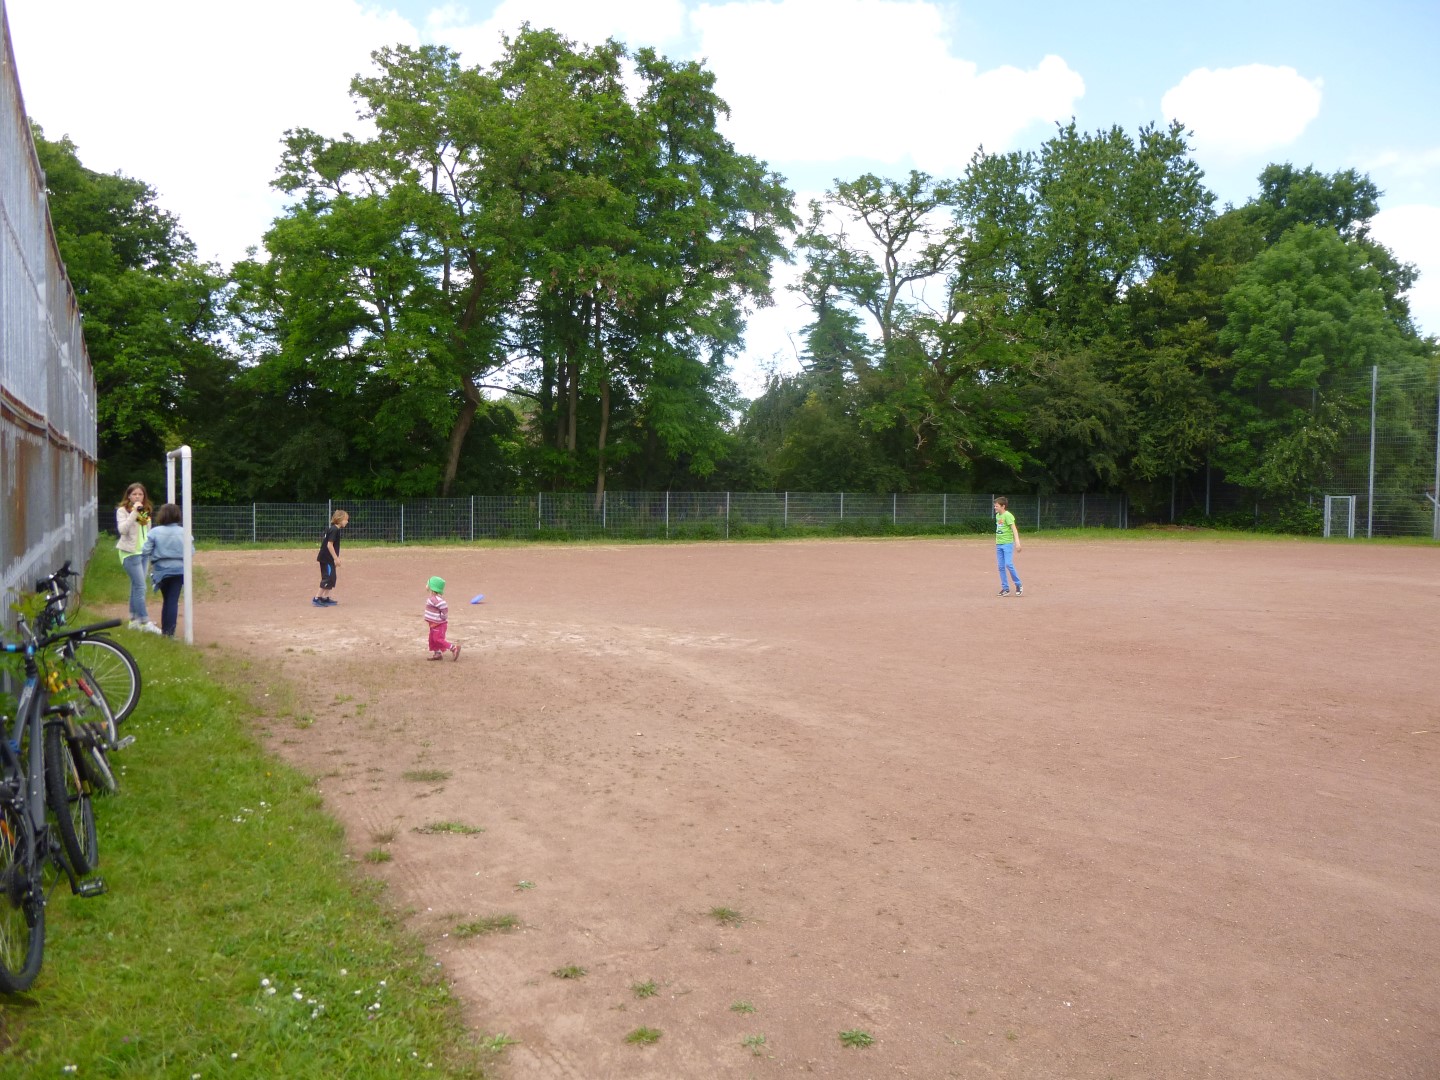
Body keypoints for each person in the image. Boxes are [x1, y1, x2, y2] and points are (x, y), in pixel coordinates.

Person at [115, 483, 162, 634]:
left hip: (143, 553)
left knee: (136, 586)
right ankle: (144, 621)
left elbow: (147, 531)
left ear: (144, 496)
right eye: (134, 494)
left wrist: (150, 549)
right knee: (141, 587)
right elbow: (123, 530)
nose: (137, 497)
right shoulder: (122, 511)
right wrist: (134, 512)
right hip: (130, 553)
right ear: (129, 496)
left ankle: (134, 620)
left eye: (140, 494)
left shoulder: (144, 511)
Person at [141, 502, 186, 636]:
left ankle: (166, 631)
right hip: (179, 570)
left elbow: (145, 550)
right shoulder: (184, 532)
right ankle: (169, 632)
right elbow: (191, 551)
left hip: (161, 570)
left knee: (167, 599)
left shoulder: (155, 532)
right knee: (172, 600)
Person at [313, 510, 349, 607]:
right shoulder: (334, 529)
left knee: (332, 578)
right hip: (326, 558)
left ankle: (325, 598)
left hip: (329, 558)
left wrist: (336, 557)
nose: (347, 521)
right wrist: (336, 558)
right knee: (327, 577)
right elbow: (329, 545)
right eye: (346, 519)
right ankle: (317, 598)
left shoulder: (336, 529)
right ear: (340, 519)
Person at [423, 576, 461, 661]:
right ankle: (437, 653)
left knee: (438, 639)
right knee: (432, 639)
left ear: (432, 587)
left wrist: (444, 616)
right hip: (433, 624)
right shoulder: (433, 598)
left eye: (428, 584)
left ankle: (454, 648)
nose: (426, 585)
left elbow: (443, 606)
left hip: (439, 624)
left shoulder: (435, 599)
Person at [994, 496, 1023, 597]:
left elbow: (1014, 529)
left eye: (997, 506)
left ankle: (1018, 584)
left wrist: (1017, 542)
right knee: (1001, 566)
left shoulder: (1008, 515)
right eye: (995, 506)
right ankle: (1005, 588)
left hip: (1007, 544)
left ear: (1003, 506)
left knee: (1008, 564)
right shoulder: (998, 516)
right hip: (999, 544)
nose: (995, 508)